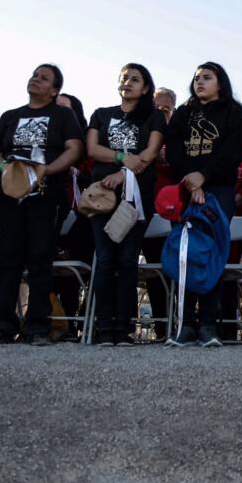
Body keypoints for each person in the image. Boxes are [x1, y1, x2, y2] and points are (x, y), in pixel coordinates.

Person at [0, 64, 83, 345]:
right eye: (34, 75)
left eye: (44, 78)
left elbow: (74, 148)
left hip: (47, 194)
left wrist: (47, 171)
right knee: (9, 260)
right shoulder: (11, 116)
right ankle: (2, 325)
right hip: (9, 194)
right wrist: (4, 168)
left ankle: (37, 327)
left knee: (40, 259)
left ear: (54, 90)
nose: (36, 80)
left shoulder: (63, 115)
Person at [164, 62, 242, 347]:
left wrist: (204, 176)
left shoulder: (235, 113)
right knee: (185, 253)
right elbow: (174, 150)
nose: (199, 81)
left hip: (219, 189)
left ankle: (209, 325)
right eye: (197, 77)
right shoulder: (183, 114)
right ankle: (186, 324)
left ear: (220, 83)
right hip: (185, 188)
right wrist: (191, 181)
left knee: (212, 253)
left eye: (207, 77)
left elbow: (234, 152)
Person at [84, 64, 166, 345]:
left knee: (128, 261)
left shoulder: (154, 117)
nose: (127, 82)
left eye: (135, 79)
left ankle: (124, 328)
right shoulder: (101, 114)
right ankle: (104, 327)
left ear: (145, 88)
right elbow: (92, 149)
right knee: (105, 260)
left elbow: (150, 153)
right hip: (101, 197)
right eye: (124, 78)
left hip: (136, 197)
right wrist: (121, 158)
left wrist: (124, 172)